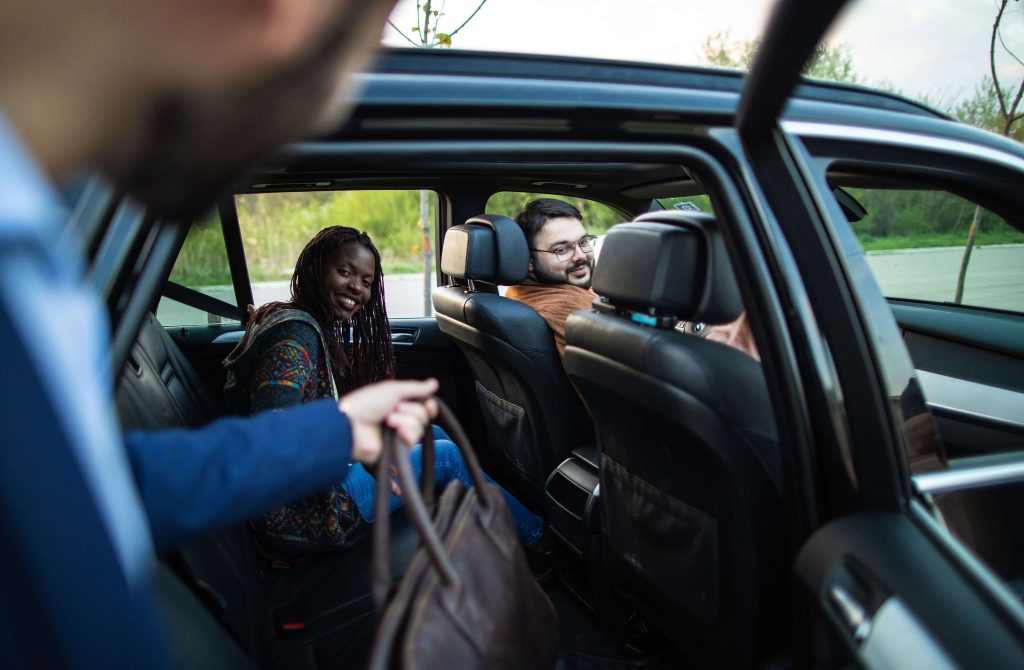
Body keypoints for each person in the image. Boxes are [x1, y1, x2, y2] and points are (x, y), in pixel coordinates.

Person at [0, 0, 420, 665]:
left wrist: (338, 428)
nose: (331, 107)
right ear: (291, 15)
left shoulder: (45, 272)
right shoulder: (294, 333)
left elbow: (103, 489)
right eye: (370, 40)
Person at [224, 226, 545, 558]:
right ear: (314, 267)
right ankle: (539, 540)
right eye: (344, 272)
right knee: (447, 458)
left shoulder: (295, 319)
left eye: (366, 282)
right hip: (300, 514)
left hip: (310, 489)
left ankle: (493, 538)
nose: (356, 288)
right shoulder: (295, 337)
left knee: (429, 431)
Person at [505, 198, 599, 361]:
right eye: (561, 249)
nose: (581, 255)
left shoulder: (517, 292)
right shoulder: (573, 309)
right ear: (529, 261)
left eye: (583, 242)